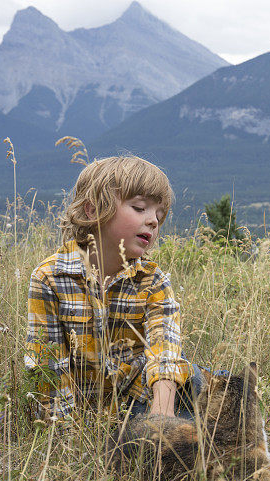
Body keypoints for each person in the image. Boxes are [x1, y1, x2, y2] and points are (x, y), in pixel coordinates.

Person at [25, 156, 197, 421]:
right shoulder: (50, 278)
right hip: (78, 411)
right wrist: (65, 437)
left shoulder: (153, 281)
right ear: (92, 210)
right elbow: (48, 366)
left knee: (216, 387)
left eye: (159, 214)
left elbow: (165, 348)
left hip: (140, 406)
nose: (153, 220)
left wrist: (161, 419)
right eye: (140, 208)